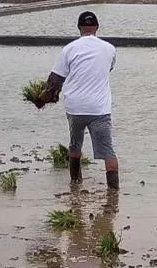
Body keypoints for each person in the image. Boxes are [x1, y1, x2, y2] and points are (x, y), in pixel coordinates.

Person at [38, 11, 119, 190]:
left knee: (75, 145)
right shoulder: (109, 49)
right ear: (97, 27)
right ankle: (113, 195)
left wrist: (43, 98)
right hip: (99, 109)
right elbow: (109, 69)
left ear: (79, 28)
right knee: (108, 151)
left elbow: (54, 80)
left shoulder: (69, 49)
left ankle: (75, 183)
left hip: (75, 107)